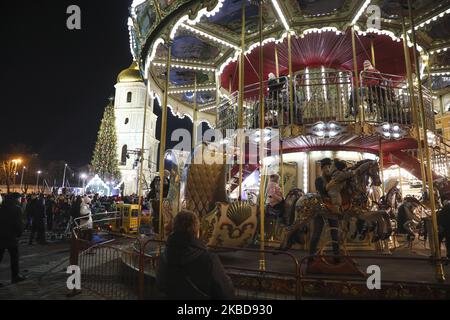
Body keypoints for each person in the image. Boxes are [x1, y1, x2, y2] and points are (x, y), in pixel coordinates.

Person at [156, 210, 235, 300]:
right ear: (197, 231)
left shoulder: (163, 257)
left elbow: (160, 286)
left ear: (174, 229)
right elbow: (226, 292)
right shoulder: (209, 259)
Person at [309, 158, 340, 261]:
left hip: (332, 209)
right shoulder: (319, 180)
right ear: (322, 168)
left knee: (335, 234)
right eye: (326, 167)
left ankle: (337, 257)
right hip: (321, 209)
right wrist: (328, 186)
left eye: (329, 167)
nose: (328, 169)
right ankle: (310, 258)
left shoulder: (334, 178)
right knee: (316, 234)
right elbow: (321, 192)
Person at [0, 193, 26, 285]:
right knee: (14, 257)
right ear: (16, 199)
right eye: (19, 199)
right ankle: (15, 276)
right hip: (11, 237)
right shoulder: (16, 209)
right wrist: (19, 233)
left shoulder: (1, 207)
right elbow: (18, 224)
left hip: (1, 236)